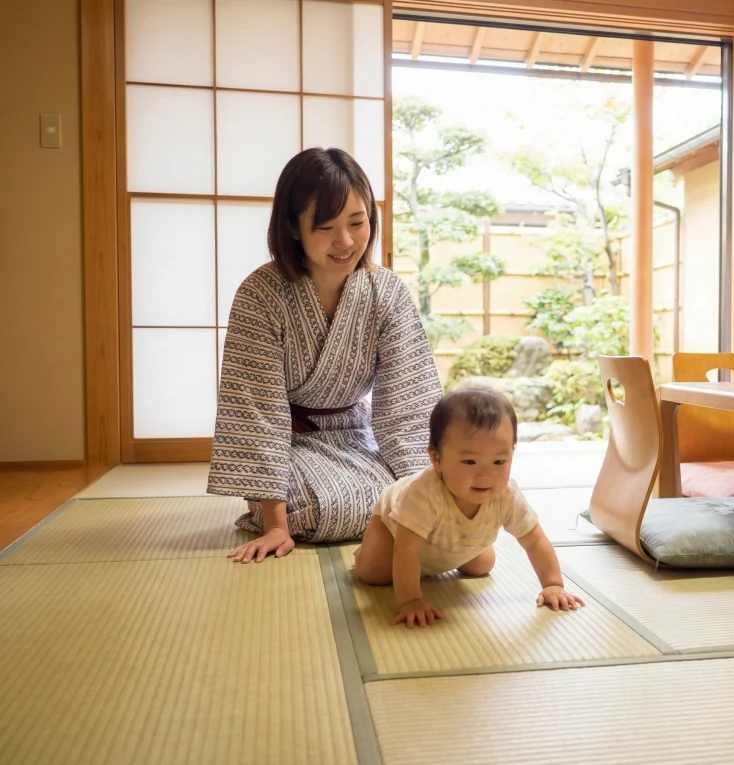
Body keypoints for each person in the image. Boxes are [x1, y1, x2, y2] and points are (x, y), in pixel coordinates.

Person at [208, 147, 442, 563]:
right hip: (289, 444)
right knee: (325, 509)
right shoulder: (260, 295)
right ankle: (277, 511)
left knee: (404, 497)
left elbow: (408, 403)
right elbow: (256, 412)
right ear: (293, 228)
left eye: (358, 222)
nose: (346, 241)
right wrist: (276, 525)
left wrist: (425, 494)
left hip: (357, 435)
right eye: (326, 227)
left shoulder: (386, 292)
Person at [353, 387, 586, 628]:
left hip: (447, 537)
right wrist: (411, 601)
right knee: (373, 573)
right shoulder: (422, 494)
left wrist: (553, 585)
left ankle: (453, 551)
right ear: (437, 459)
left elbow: (535, 541)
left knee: (482, 566)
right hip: (395, 531)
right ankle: (365, 549)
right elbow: (407, 551)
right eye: (470, 461)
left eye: (499, 461)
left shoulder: (506, 495)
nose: (485, 475)